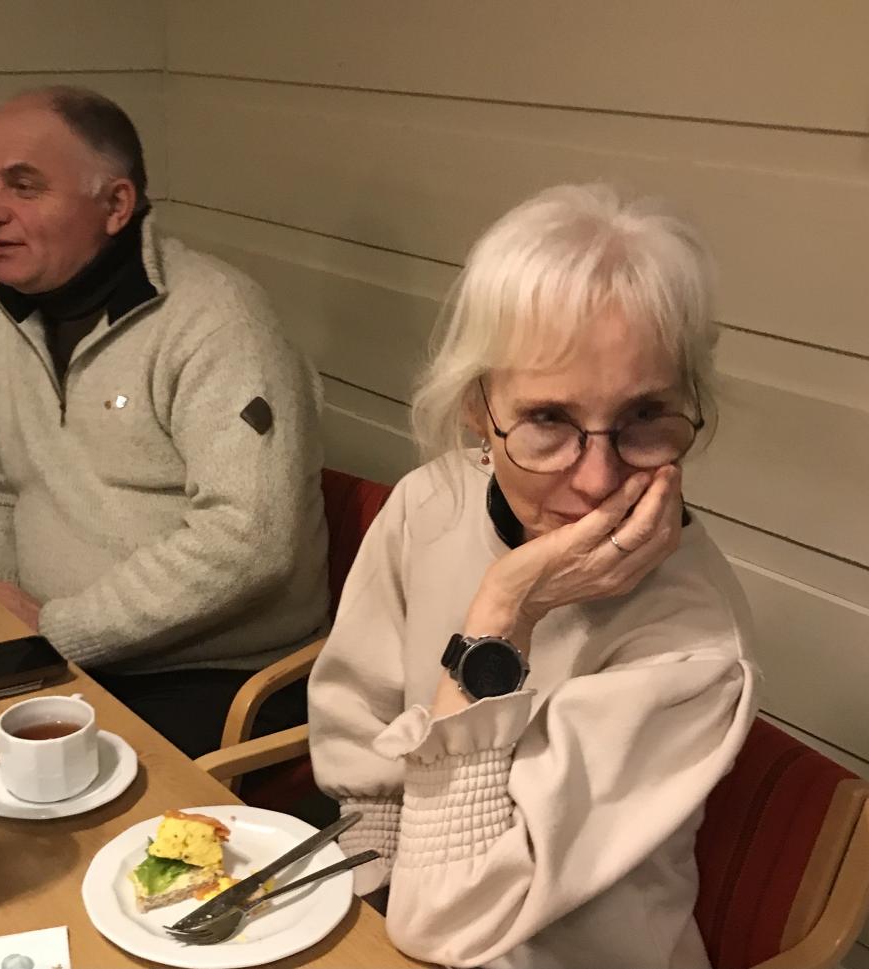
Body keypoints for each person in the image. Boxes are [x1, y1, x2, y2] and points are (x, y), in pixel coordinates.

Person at [309, 184, 758, 968]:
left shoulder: (693, 646)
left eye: (645, 416)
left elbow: (448, 917)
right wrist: (366, 907)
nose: (597, 479)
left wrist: (505, 612)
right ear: (476, 408)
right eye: (549, 418)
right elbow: (362, 747)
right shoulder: (430, 506)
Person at [0, 87, 329, 757]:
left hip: (215, 676)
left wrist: (57, 630)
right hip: (53, 652)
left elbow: (248, 542)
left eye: (24, 186)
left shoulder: (219, 321)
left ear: (116, 205)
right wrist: (6, 624)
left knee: (9, 793)